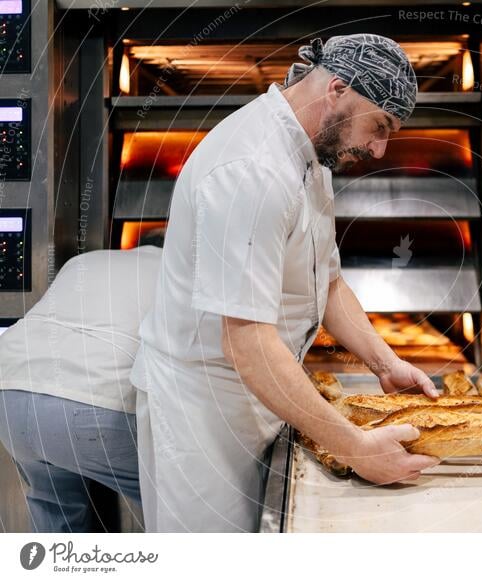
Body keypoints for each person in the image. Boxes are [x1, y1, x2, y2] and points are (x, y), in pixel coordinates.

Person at [130, 33, 441, 533]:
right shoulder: (252, 171)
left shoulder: (310, 152)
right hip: (205, 414)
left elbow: (328, 283)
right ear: (338, 88)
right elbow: (247, 342)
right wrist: (354, 447)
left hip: (261, 398)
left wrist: (387, 363)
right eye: (380, 127)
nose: (380, 149)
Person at [0, 246, 162, 532]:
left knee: (54, 512)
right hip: (95, 403)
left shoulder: (83, 260)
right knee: (173, 505)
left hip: (10, 393)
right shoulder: (174, 268)